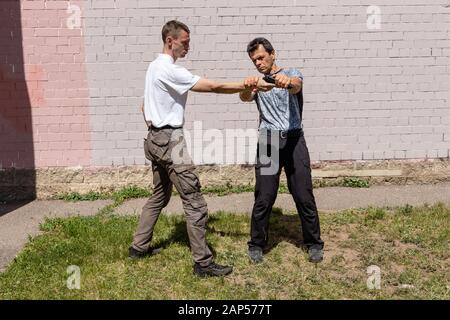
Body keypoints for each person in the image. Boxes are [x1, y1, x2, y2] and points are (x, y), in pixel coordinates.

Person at [129, 21, 273, 277]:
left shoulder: (153, 67)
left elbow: (143, 106)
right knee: (195, 201)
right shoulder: (170, 69)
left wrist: (157, 132)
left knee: (160, 196)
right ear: (170, 40)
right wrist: (247, 86)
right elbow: (214, 87)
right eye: (185, 42)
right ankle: (203, 263)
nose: (188, 46)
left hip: (153, 140)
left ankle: (138, 248)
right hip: (170, 141)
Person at [239, 37, 324, 264]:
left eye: (261, 57)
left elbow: (297, 85)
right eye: (254, 60)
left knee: (303, 195)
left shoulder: (292, 73)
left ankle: (314, 243)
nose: (258, 62)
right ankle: (256, 244)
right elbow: (245, 97)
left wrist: (286, 81)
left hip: (294, 140)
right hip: (269, 142)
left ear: (272, 54)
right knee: (264, 197)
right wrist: (247, 87)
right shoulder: (258, 82)